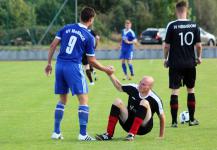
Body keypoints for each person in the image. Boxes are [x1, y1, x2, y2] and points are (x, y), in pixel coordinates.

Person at [44, 7, 114, 141]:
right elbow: (91, 61)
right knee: (83, 100)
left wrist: (49, 63)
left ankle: (56, 132)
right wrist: (106, 70)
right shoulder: (89, 36)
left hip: (59, 65)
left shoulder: (66, 27)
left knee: (62, 100)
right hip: (73, 67)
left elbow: (53, 45)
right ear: (91, 19)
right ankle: (83, 134)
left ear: (80, 17)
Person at [163, 1, 202, 127]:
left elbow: (166, 46)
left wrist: (165, 59)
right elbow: (199, 45)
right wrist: (199, 57)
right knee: (191, 90)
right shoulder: (194, 25)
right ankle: (191, 119)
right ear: (187, 11)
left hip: (175, 63)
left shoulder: (172, 26)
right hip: (190, 63)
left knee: (175, 91)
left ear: (176, 11)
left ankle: (174, 122)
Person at [95, 74, 165, 141]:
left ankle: (132, 134)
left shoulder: (155, 99)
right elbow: (119, 87)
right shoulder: (133, 88)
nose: (140, 85)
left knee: (144, 102)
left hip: (144, 127)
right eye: (140, 82)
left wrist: (161, 135)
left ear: (150, 87)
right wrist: (110, 74)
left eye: (143, 84)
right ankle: (108, 134)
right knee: (117, 101)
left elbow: (162, 117)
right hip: (128, 124)